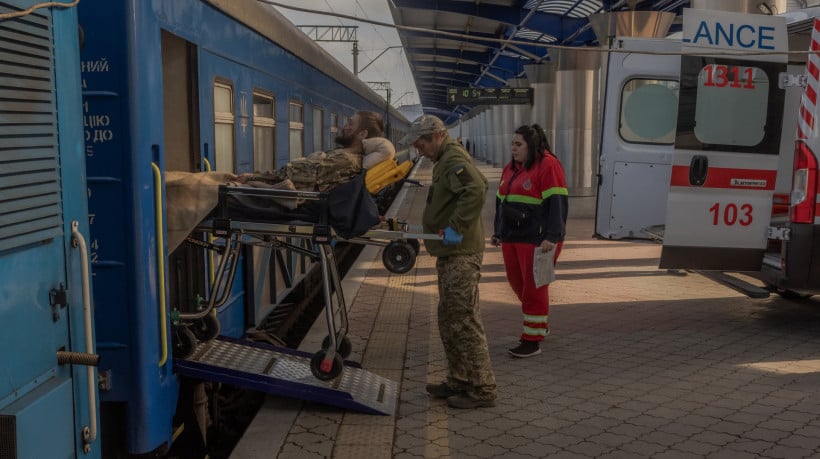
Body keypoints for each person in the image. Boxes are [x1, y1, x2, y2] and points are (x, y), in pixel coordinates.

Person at [400, 114, 497, 409]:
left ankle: (483, 390)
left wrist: (456, 226)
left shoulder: (453, 158)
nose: (420, 151)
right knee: (448, 319)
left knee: (464, 320)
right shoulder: (444, 159)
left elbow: (477, 188)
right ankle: (459, 379)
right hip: (449, 253)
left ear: (437, 135)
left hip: (461, 254)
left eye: (421, 144)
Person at [491, 124, 568, 358]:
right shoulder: (510, 168)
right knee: (518, 284)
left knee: (535, 288)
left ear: (531, 145)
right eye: (512, 144)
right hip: (512, 238)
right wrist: (498, 231)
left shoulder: (548, 165)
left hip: (539, 240)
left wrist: (552, 236)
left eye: (518, 144)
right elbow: (500, 202)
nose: (513, 149)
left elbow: (558, 202)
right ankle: (538, 323)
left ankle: (531, 340)